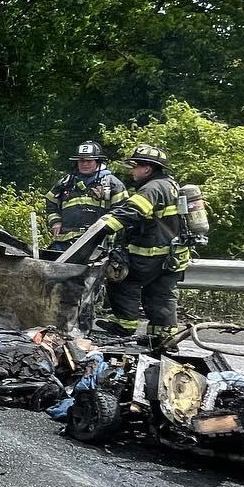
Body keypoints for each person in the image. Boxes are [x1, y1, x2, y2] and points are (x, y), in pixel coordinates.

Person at [95, 143, 185, 345]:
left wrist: (105, 226)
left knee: (121, 280)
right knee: (160, 294)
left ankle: (124, 328)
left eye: (135, 166)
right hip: (172, 255)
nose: (132, 171)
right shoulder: (171, 185)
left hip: (150, 254)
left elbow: (132, 211)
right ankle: (162, 338)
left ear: (147, 168)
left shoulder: (152, 188)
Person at [44, 141, 125, 254]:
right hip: (64, 241)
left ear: (98, 161)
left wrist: (104, 227)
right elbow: (50, 201)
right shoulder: (66, 182)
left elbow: (122, 211)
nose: (84, 164)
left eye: (89, 161)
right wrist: (55, 221)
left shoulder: (113, 184)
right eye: (81, 160)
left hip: (97, 243)